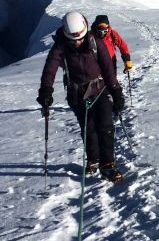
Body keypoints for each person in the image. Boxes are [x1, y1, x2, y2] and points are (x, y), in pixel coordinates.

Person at [37, 11, 125, 181]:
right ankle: (93, 160)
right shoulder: (61, 45)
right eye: (73, 40)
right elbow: (50, 68)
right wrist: (45, 91)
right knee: (88, 128)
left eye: (79, 39)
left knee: (106, 126)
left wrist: (116, 91)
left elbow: (107, 67)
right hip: (77, 93)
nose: (77, 42)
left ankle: (108, 164)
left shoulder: (94, 41)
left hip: (100, 89)